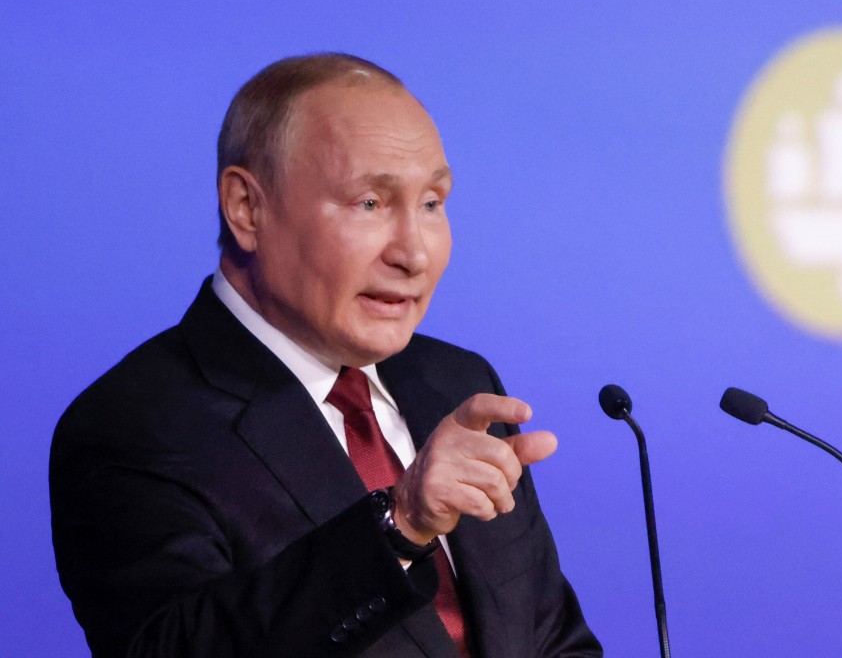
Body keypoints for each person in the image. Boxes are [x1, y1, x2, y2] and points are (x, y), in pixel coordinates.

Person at [50, 53, 602, 658]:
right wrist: (399, 525)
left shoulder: (458, 383)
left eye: (431, 203)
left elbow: (554, 641)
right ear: (247, 207)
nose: (414, 254)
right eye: (369, 203)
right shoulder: (132, 427)